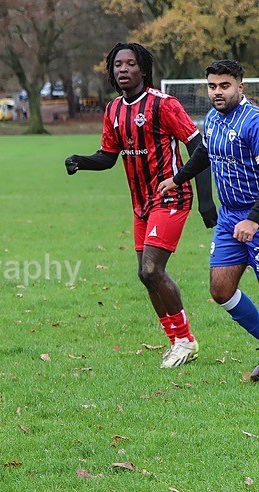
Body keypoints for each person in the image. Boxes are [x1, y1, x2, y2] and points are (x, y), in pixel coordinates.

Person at [64, 42, 217, 369]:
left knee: (152, 269)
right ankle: (177, 340)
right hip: (141, 205)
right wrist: (81, 161)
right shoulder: (113, 110)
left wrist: (205, 201)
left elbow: (200, 150)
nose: (123, 69)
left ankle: (186, 340)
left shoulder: (164, 105)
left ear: (143, 69)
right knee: (144, 274)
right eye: (117, 64)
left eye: (130, 64)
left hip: (172, 198)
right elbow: (108, 157)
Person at [157, 60, 259, 379]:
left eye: (224, 85)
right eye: (212, 86)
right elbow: (205, 153)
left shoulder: (254, 122)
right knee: (221, 290)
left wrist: (254, 220)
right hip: (230, 218)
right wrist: (178, 178)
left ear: (240, 87)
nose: (217, 92)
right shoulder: (213, 118)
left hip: (255, 216)